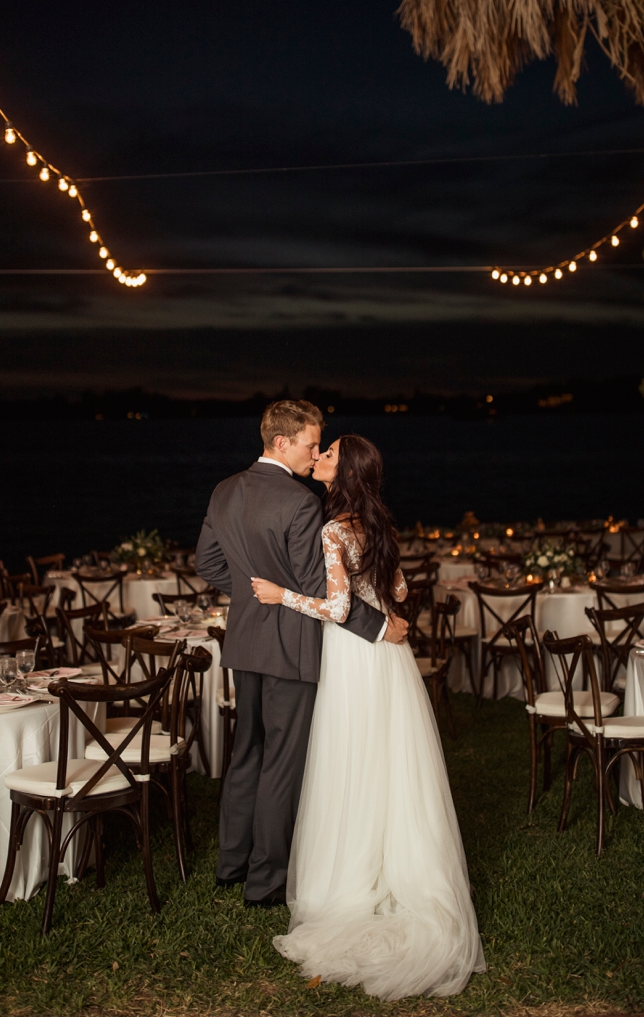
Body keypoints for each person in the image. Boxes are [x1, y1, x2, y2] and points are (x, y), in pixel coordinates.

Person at [251, 434, 485, 1000]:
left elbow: (334, 608)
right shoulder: (380, 525)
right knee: (391, 761)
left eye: (328, 453)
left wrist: (280, 594)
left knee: (351, 759)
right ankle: (399, 868)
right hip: (392, 661)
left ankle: (351, 877)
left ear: (345, 470)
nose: (320, 457)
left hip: (356, 660)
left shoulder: (334, 530)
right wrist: (384, 614)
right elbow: (397, 589)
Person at [195, 400, 410, 908]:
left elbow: (207, 562)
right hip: (292, 646)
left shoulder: (224, 490)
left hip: (245, 641)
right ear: (282, 442)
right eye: (312, 444)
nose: (316, 454)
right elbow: (322, 591)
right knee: (282, 764)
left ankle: (232, 863)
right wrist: (380, 625)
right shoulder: (299, 502)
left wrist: (249, 596)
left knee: (246, 752)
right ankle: (266, 882)